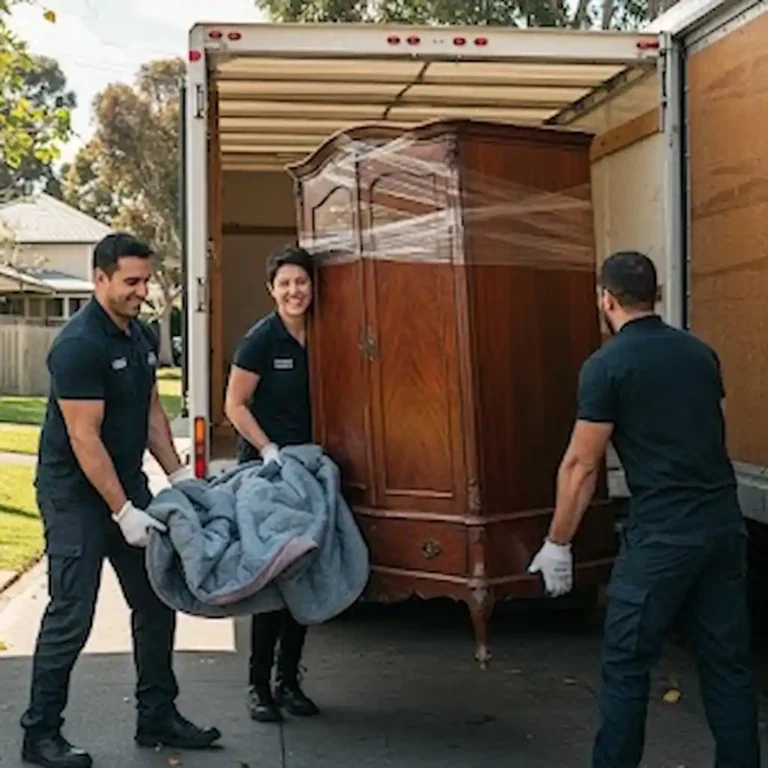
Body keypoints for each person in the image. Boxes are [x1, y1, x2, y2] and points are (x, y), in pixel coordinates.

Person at [528, 251, 761, 768]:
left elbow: (580, 467)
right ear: (655, 296)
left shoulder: (606, 365)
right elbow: (710, 430)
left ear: (605, 299)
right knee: (728, 666)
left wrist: (557, 542)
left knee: (628, 663)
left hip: (662, 535)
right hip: (722, 526)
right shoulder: (701, 354)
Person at [20, 233, 221, 768]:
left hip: (125, 487)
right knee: (72, 613)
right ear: (100, 278)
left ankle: (156, 716)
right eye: (131, 281)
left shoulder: (139, 335)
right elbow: (85, 438)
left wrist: (179, 480)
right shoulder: (78, 346)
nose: (141, 290)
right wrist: (122, 511)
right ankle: (39, 734)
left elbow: (153, 413)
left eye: (146, 280)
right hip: (73, 497)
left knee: (156, 601)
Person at [224, 244, 320, 724]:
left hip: (311, 472)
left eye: (300, 281)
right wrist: (267, 450)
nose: (293, 290)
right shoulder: (261, 340)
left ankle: (289, 682)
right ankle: (259, 686)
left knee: (302, 575)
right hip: (267, 472)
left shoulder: (326, 333)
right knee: (272, 580)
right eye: (284, 283)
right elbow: (234, 405)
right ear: (272, 290)